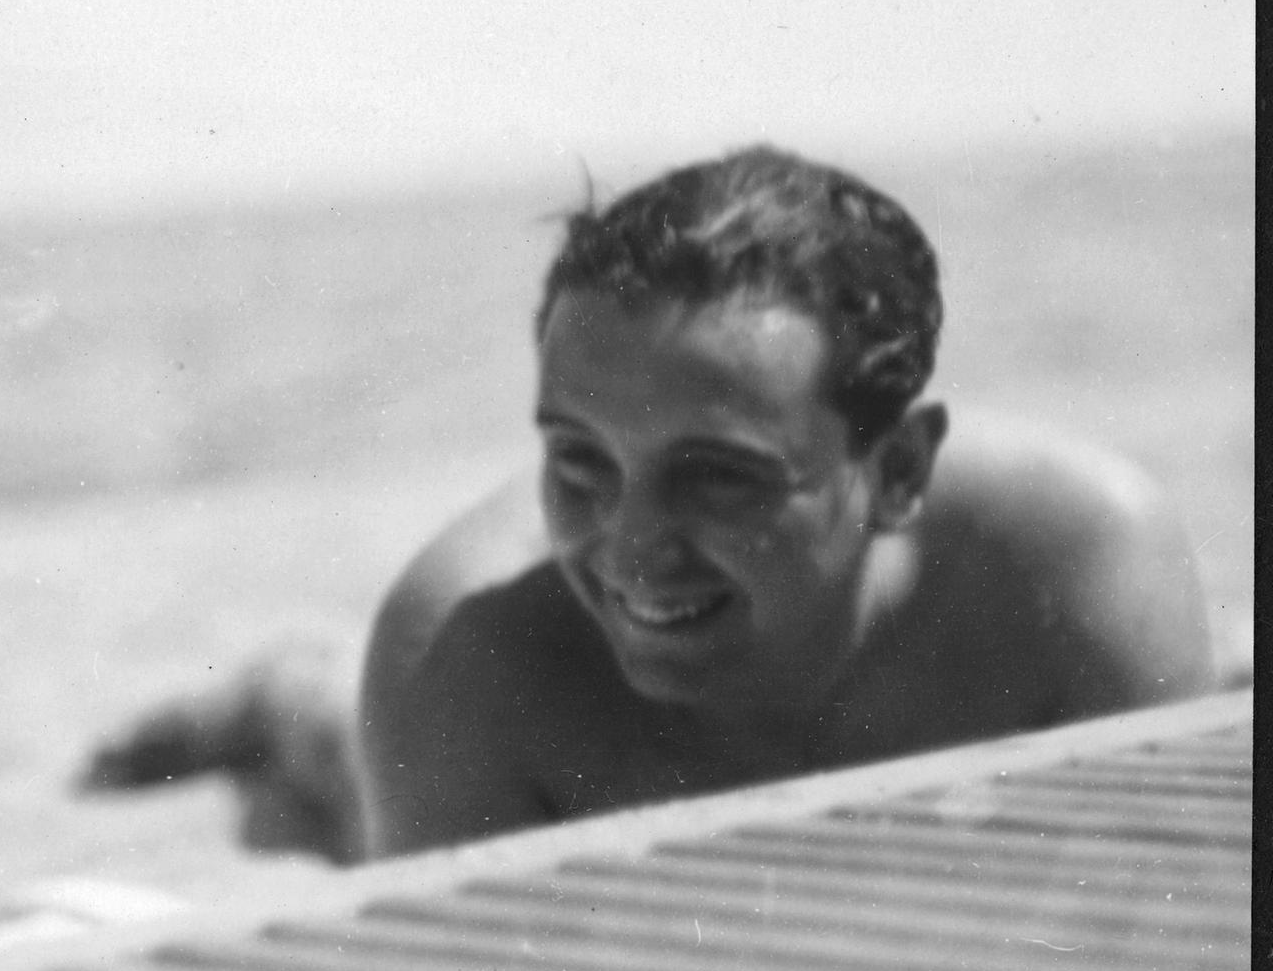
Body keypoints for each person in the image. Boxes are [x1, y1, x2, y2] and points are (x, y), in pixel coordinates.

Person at [356, 145, 1216, 856]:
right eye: (579, 461)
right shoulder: (464, 650)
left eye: (719, 475)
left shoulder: (1076, 569)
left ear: (899, 474)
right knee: (333, 755)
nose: (630, 545)